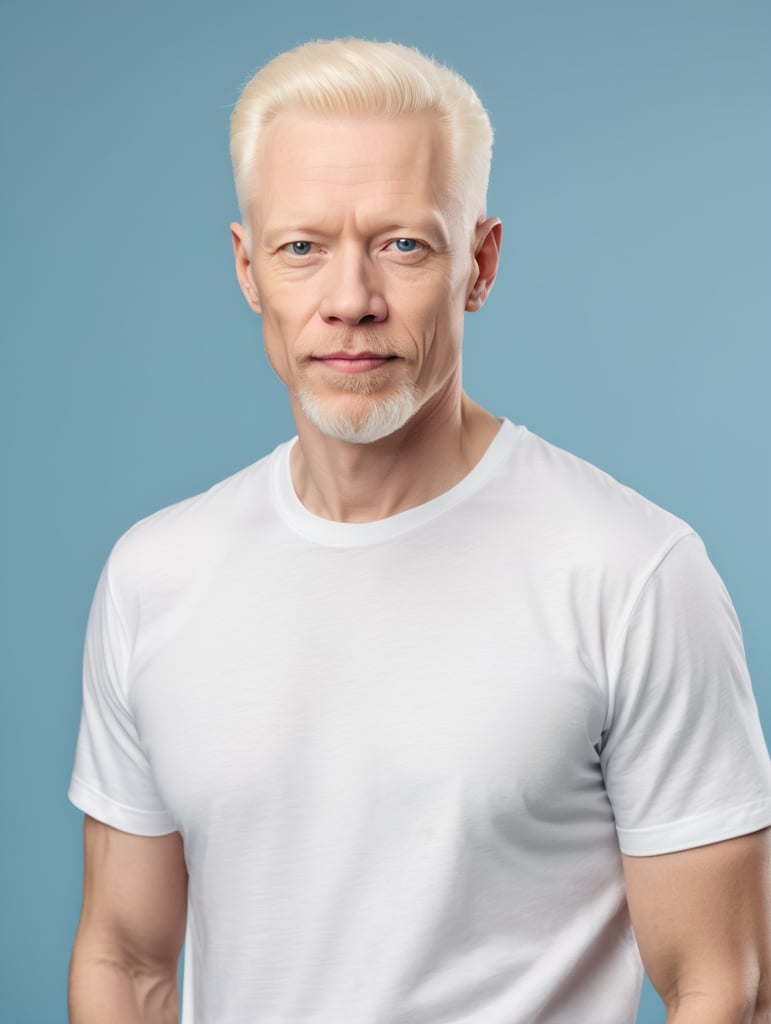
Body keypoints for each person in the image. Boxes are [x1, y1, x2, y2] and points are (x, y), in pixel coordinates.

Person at [68, 38, 771, 1024]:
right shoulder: (155, 576)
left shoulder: (633, 574)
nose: (349, 301)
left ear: (478, 264)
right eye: (302, 247)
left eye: (403, 243)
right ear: (247, 267)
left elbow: (722, 985)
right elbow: (128, 957)